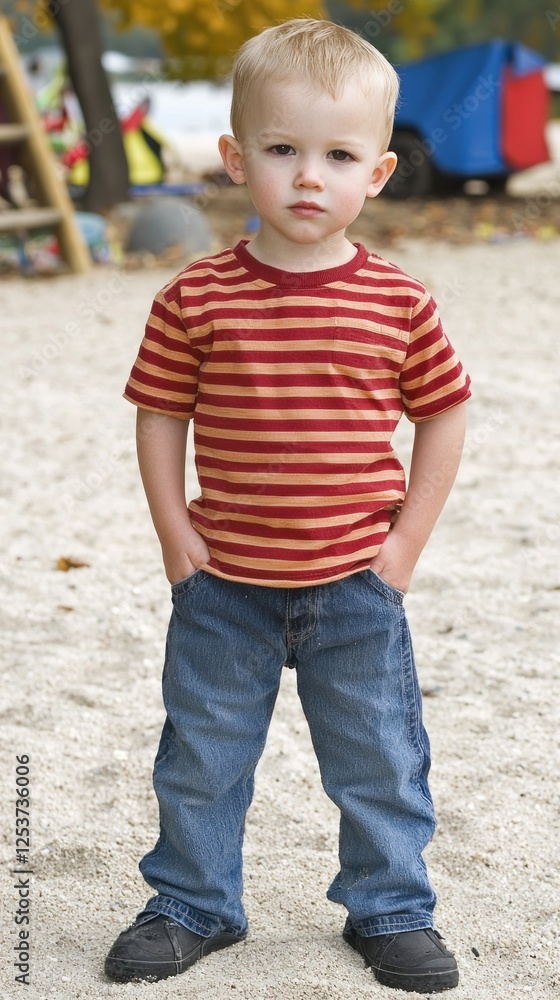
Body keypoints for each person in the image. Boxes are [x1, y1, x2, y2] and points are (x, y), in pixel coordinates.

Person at [105, 18, 471, 994]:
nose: (309, 177)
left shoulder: (397, 301)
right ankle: (193, 902)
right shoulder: (196, 298)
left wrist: (403, 547)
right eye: (281, 150)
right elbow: (159, 412)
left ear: (378, 174)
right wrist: (175, 536)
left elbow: (443, 411)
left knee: (378, 757)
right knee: (202, 755)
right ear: (236, 159)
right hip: (223, 583)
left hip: (356, 583)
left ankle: (390, 907)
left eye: (338, 156)